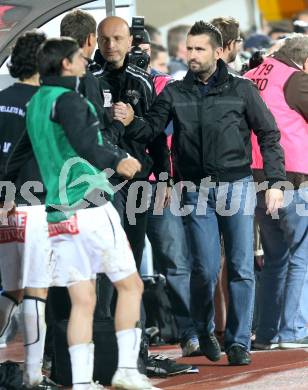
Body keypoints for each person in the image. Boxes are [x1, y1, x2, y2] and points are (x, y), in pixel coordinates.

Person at [116, 21, 286, 365]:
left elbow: (269, 135)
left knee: (241, 267)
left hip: (236, 187)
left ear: (218, 52)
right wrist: (132, 120)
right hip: (194, 190)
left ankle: (239, 343)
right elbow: (151, 130)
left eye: (198, 49)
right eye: (188, 49)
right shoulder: (175, 91)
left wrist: (276, 182)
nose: (190, 55)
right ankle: (204, 330)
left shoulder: (242, 89)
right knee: (205, 269)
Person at [5, 36, 157, 390]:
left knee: (82, 299)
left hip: (58, 213)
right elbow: (87, 143)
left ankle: (84, 382)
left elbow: (16, 156)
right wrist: (120, 159)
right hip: (89, 207)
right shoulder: (68, 100)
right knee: (131, 286)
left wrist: (4, 192)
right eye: (78, 57)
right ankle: (126, 371)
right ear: (65, 65)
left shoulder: (37, 102)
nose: (85, 60)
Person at [94, 16, 190, 377]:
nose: (111, 45)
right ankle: (105, 348)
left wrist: (163, 179)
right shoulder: (89, 81)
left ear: (127, 41)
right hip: (100, 185)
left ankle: (137, 351)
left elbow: (156, 137)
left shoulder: (143, 82)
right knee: (104, 266)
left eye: (117, 38)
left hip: (137, 185)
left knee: (131, 265)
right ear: (97, 41)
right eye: (105, 39)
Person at [0, 30, 61, 390]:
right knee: (36, 291)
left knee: (10, 291)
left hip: (4, 207)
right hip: (35, 208)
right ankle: (33, 375)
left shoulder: (0, 99)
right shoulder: (47, 103)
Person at [245, 33, 308, 350]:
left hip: (255, 177)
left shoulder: (250, 75)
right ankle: (294, 330)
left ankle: (268, 331)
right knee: (302, 255)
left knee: (275, 259)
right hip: (293, 176)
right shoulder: (295, 79)